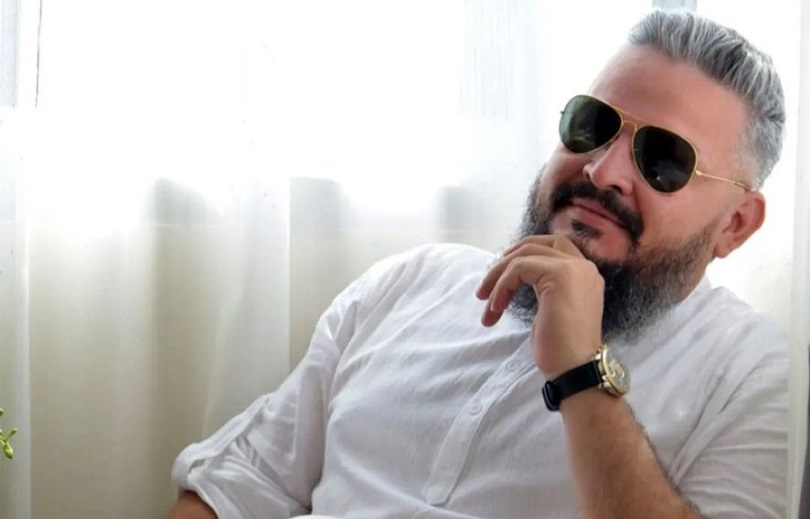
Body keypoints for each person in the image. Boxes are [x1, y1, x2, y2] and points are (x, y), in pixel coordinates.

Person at [166, 10, 788, 519]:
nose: (603, 172)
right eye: (593, 125)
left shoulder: (758, 377)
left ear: (735, 224)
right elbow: (238, 486)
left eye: (663, 160)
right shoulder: (414, 282)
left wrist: (581, 371)